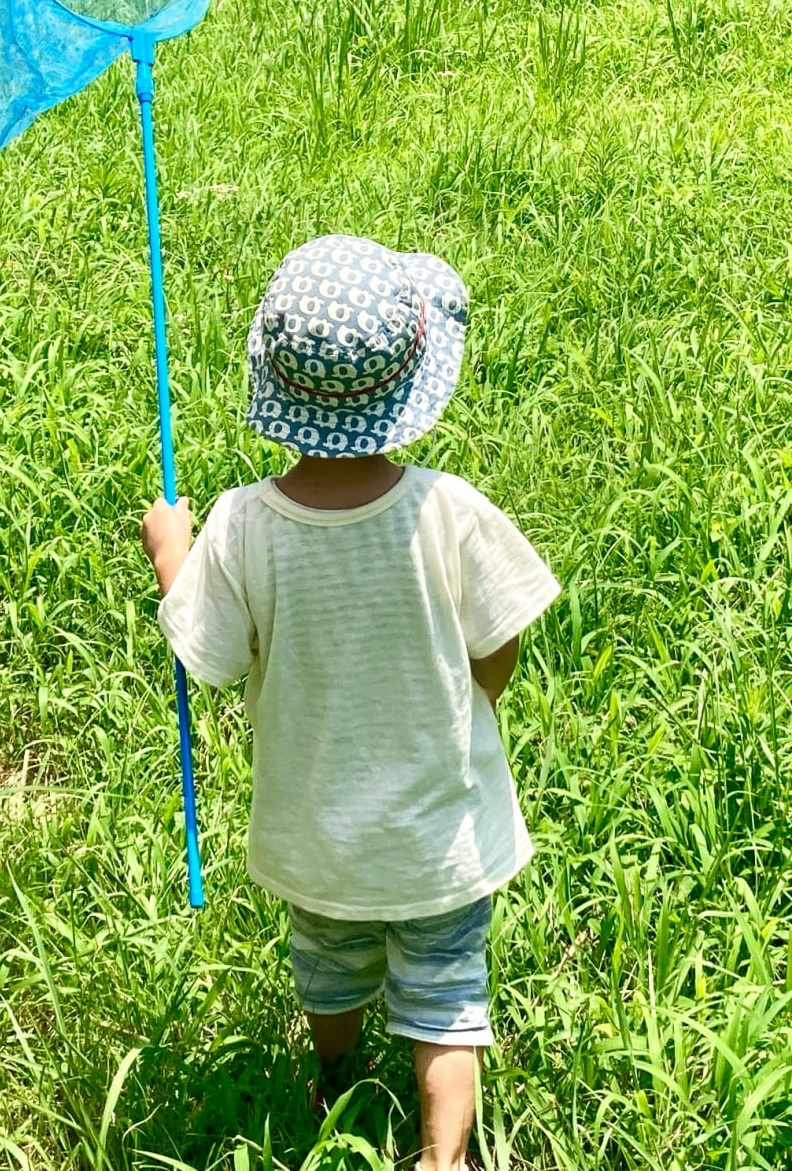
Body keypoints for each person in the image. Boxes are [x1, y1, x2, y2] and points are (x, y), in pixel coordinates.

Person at [140, 234, 559, 1171]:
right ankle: (442, 1159)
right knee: (448, 997)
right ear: (409, 394)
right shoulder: (449, 510)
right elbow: (502, 640)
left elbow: (208, 652)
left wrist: (174, 546)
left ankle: (335, 1083)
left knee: (329, 973)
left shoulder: (244, 524)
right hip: (441, 835)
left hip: (316, 837)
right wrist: (474, 699)